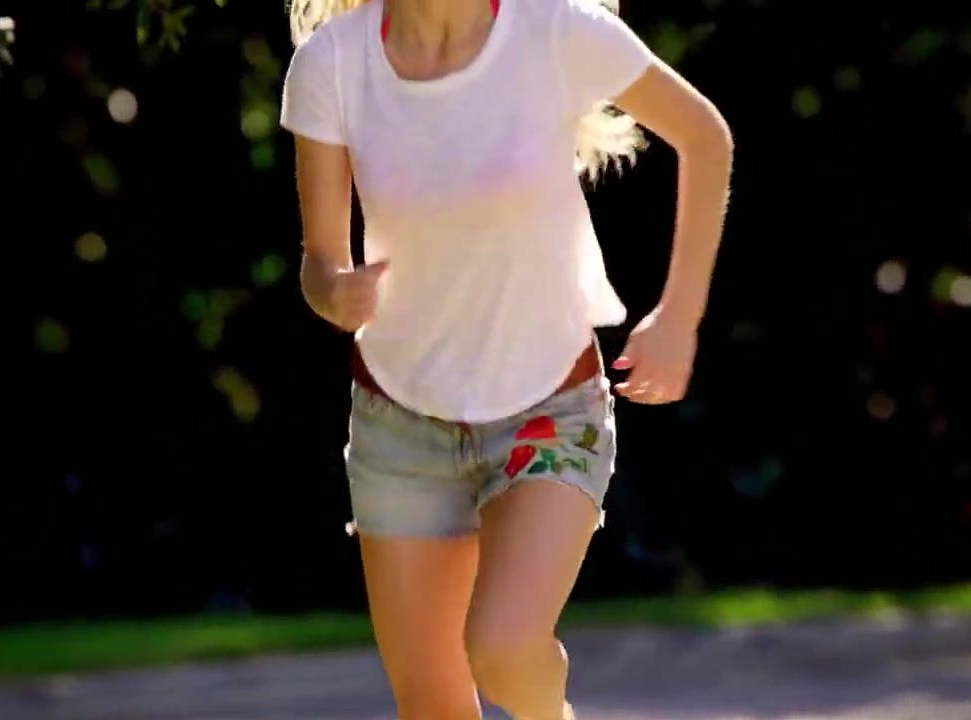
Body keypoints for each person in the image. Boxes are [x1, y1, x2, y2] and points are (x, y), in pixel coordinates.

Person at [279, 0, 732, 716]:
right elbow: (321, 261)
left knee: (505, 648)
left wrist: (678, 318)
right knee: (433, 706)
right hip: (400, 426)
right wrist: (334, 293)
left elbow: (705, 137)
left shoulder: (556, 30)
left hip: (549, 408)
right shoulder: (331, 64)